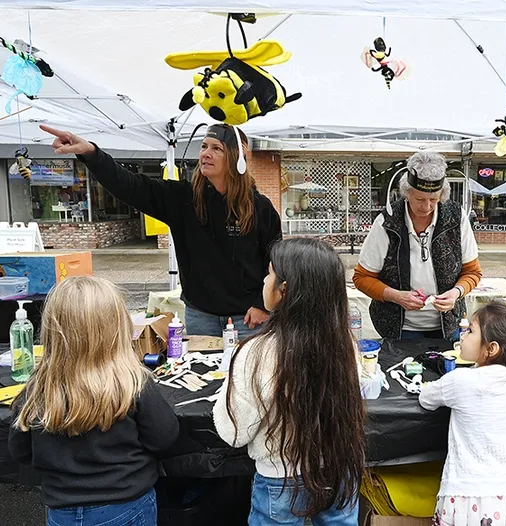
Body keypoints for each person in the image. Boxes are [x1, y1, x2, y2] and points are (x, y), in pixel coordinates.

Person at [40, 123, 282, 338]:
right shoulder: (182, 199)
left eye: (216, 148)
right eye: (204, 146)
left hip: (248, 319)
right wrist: (91, 153)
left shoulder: (260, 208)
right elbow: (130, 186)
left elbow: (276, 264)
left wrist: (262, 304)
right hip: (201, 317)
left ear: (236, 157)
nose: (205, 154)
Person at [213, 238, 365, 525]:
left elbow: (234, 432)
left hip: (279, 479)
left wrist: (230, 382)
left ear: (284, 290)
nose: (264, 280)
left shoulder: (256, 353)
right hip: (338, 469)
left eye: (269, 273)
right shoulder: (346, 345)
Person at [8, 276, 179, 526]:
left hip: (62, 510)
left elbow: (19, 450)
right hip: (126, 503)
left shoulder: (38, 387)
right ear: (116, 327)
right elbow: (165, 436)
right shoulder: (133, 383)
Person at [419, 302, 506, 526]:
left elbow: (425, 400)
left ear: (491, 348)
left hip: (468, 502)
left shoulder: (460, 381)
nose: (463, 335)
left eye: (470, 331)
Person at [353, 151, 483, 339]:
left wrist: (456, 292)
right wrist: (395, 296)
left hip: (449, 326)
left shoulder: (456, 218)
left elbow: (472, 272)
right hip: (397, 329)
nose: (427, 206)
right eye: (419, 199)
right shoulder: (387, 222)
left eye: (434, 199)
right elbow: (362, 277)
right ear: (406, 192)